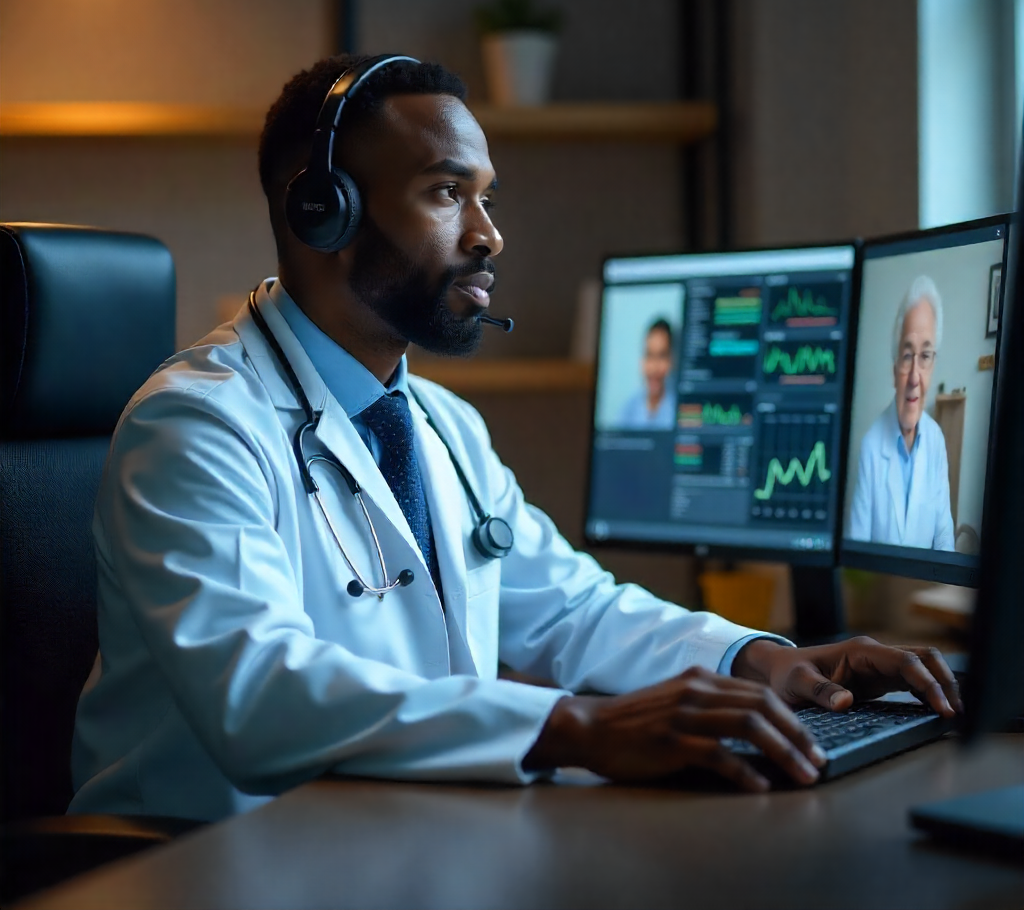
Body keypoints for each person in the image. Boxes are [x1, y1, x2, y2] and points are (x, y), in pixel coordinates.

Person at [71, 54, 960, 822]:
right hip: (210, 867)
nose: (488, 235)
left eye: (485, 197)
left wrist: (760, 659)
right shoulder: (197, 425)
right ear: (324, 213)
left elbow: (572, 609)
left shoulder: (442, 428)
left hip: (397, 837)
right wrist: (574, 727)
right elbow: (256, 694)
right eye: (447, 193)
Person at [847, 275, 955, 550]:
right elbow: (858, 551)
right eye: (907, 356)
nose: (915, 377)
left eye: (926, 356)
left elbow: (943, 534)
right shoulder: (871, 446)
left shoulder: (936, 440)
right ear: (894, 368)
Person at [618, 318, 676, 429]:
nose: (654, 368)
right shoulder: (627, 411)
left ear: (672, 361)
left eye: (662, 356)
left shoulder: (678, 411)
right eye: (649, 355)